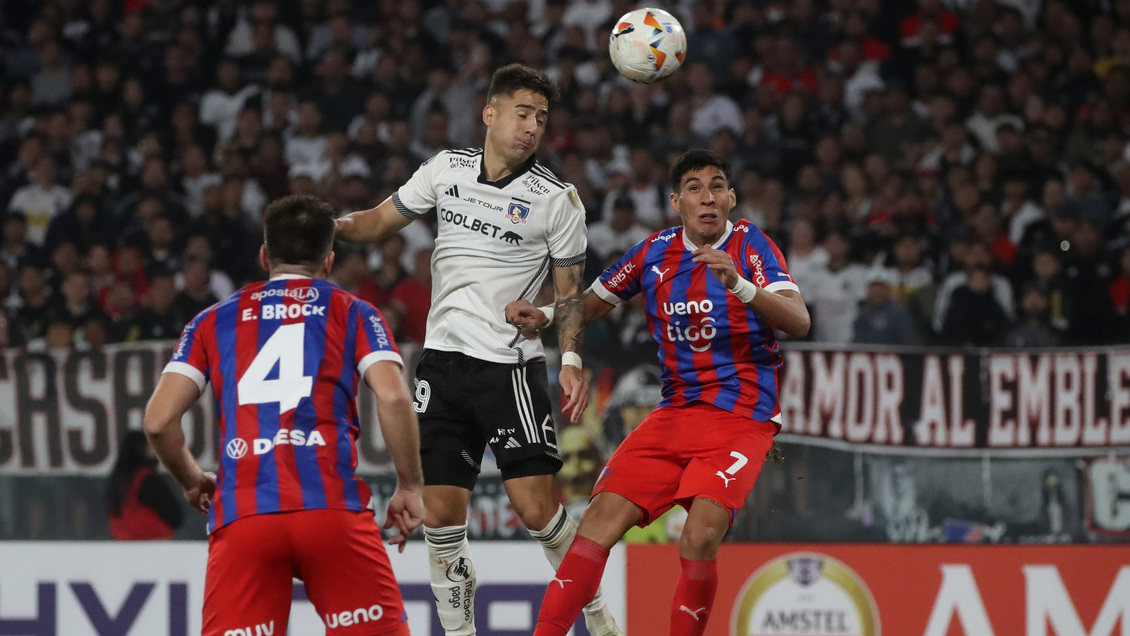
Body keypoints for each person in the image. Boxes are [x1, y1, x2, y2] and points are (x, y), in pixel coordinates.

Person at [334, 63, 622, 636]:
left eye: (541, 118)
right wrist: (325, 226)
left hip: (509, 368)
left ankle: (595, 613)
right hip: (440, 364)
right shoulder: (446, 169)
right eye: (522, 112)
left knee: (539, 512)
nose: (532, 127)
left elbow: (568, 295)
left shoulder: (556, 199)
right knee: (441, 518)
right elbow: (377, 222)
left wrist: (569, 360)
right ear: (489, 113)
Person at [508, 150, 811, 636]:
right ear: (677, 201)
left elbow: (799, 320)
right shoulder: (655, 251)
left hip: (741, 417)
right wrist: (544, 317)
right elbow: (591, 303)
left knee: (699, 534)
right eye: (694, 187)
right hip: (675, 414)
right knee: (597, 523)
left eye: (717, 186)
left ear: (731, 198)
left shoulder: (753, 245)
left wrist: (738, 284)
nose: (707, 196)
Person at [143, 194, 424, 636]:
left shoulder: (211, 320)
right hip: (331, 510)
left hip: (245, 516)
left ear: (263, 255)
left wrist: (193, 480)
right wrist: (409, 485)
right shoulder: (354, 312)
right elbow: (392, 398)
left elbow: (157, 421)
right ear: (329, 261)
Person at [106, 430, 184, 540]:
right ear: (142, 449)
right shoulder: (148, 480)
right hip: (153, 544)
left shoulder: (117, 480)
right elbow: (175, 517)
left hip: (122, 543)